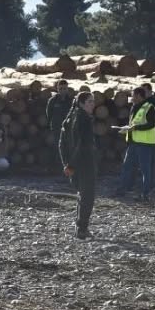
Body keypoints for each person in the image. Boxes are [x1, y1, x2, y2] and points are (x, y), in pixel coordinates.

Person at [60, 91, 98, 239]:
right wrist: (70, 165)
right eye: (89, 101)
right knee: (87, 196)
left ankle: (80, 227)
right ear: (81, 103)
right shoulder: (83, 120)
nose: (93, 104)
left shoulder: (70, 117)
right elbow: (81, 145)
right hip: (84, 163)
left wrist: (66, 164)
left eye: (93, 101)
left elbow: (61, 144)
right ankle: (82, 229)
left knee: (81, 195)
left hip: (74, 164)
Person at [115, 84, 155, 201]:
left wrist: (134, 128)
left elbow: (151, 124)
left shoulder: (149, 107)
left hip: (145, 144)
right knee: (127, 167)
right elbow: (134, 124)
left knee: (145, 170)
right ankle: (122, 189)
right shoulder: (134, 107)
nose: (131, 97)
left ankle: (145, 194)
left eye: (133, 95)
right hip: (133, 143)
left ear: (139, 96)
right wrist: (126, 129)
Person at [45, 79, 74, 166]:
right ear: (57, 89)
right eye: (61, 88)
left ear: (67, 89)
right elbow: (48, 114)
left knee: (69, 147)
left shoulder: (71, 101)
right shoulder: (52, 101)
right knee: (57, 147)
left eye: (64, 89)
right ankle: (56, 166)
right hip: (56, 128)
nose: (62, 91)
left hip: (68, 128)